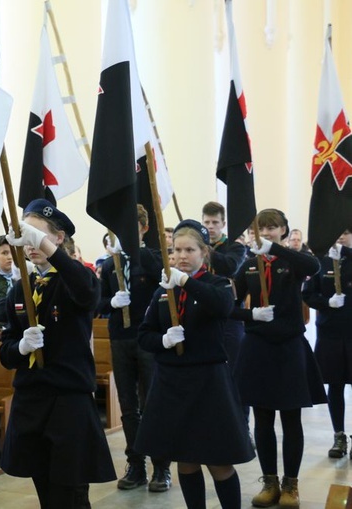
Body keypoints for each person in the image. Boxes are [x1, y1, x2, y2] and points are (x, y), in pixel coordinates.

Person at [0, 198, 116, 509]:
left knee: (71, 495)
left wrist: (49, 249)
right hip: (31, 399)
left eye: (38, 236)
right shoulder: (21, 288)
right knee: (46, 493)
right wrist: (20, 348)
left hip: (68, 402)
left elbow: (88, 292)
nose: (31, 244)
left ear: (59, 237)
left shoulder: (71, 280)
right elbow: (6, 352)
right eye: (26, 237)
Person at [135, 220, 254, 509]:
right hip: (172, 382)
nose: (182, 256)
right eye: (176, 250)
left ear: (204, 253)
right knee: (185, 458)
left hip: (208, 382)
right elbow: (144, 335)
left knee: (218, 461)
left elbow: (222, 306)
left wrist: (186, 281)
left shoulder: (216, 284)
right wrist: (163, 340)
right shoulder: (163, 291)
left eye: (190, 249)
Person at [232, 208, 325, 508]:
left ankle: (291, 485)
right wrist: (250, 314)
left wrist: (275, 249)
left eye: (273, 228)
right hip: (258, 347)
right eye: (262, 229)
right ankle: (269, 481)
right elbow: (227, 304)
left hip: (288, 348)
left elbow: (314, 266)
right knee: (262, 417)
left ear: (284, 231)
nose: (267, 232)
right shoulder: (248, 266)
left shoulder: (291, 261)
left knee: (290, 416)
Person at [97, 204, 170, 492]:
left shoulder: (151, 259)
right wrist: (112, 303)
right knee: (128, 406)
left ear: (143, 228)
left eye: (131, 226)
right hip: (120, 338)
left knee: (153, 402)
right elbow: (98, 303)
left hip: (146, 338)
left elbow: (164, 291)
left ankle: (161, 466)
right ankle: (136, 464)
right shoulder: (109, 265)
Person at [302, 229, 352, 458]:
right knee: (335, 385)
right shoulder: (319, 261)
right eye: (337, 232)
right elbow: (308, 295)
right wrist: (326, 302)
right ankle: (339, 435)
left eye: (346, 232)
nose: (340, 236)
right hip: (330, 332)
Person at [201, 201, 249, 430]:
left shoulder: (234, 246)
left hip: (230, 317)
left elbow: (230, 267)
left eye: (215, 223)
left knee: (236, 373)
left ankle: (242, 426)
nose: (210, 227)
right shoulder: (196, 247)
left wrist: (205, 250)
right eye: (206, 222)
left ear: (223, 223)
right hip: (204, 315)